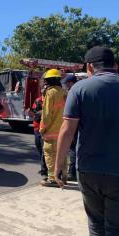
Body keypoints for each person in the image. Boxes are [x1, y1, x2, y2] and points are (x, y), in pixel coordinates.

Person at [55, 46, 119, 235]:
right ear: (114, 65)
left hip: (88, 170)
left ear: (89, 67)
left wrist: (60, 165)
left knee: (95, 224)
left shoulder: (79, 88)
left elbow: (67, 130)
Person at [39, 69, 67, 187]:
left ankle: (52, 179)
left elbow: (46, 115)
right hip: (64, 130)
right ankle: (63, 176)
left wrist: (42, 129)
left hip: (51, 131)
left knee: (50, 154)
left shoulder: (50, 93)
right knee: (62, 153)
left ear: (47, 81)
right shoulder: (64, 92)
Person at [61, 75, 78, 181]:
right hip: (78, 125)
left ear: (71, 83)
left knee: (72, 150)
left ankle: (72, 173)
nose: (65, 86)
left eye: (66, 83)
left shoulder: (74, 93)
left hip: (74, 125)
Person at [31, 86, 48, 180]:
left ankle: (44, 171)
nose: (44, 90)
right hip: (37, 128)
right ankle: (44, 166)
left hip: (46, 128)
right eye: (43, 88)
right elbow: (34, 112)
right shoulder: (37, 100)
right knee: (39, 148)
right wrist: (31, 113)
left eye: (46, 88)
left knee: (44, 150)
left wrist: (42, 112)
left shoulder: (50, 100)